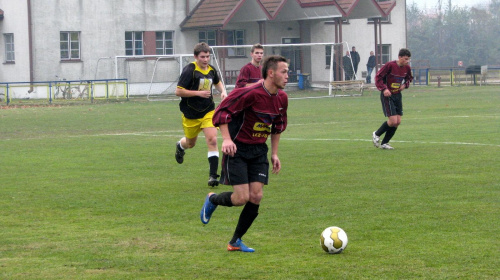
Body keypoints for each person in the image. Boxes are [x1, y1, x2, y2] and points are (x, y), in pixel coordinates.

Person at [199, 55, 289, 252]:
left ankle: (235, 241)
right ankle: (212, 199)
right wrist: (227, 139)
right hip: (238, 149)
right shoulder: (249, 92)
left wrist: (274, 154)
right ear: (271, 73)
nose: (287, 76)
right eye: (284, 72)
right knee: (241, 198)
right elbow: (222, 112)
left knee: (256, 196)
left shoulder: (282, 98)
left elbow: (278, 127)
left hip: (258, 151)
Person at [174, 42, 227, 187]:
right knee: (190, 143)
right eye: (202, 57)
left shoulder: (211, 70)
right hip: (190, 113)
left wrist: (222, 91)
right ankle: (180, 146)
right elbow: (178, 91)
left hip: (208, 111)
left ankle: (213, 176)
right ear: (196, 57)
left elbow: (217, 82)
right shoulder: (189, 70)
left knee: (212, 140)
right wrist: (198, 93)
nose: (205, 59)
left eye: (207, 56)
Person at [372, 48, 413, 150]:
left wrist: (404, 85)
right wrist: (384, 89)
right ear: (399, 57)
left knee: (398, 122)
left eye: (408, 60)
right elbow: (378, 77)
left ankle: (384, 143)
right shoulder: (390, 65)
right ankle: (376, 134)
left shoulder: (407, 68)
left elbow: (409, 78)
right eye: (405, 59)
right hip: (388, 95)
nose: (407, 61)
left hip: (397, 95)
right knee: (393, 121)